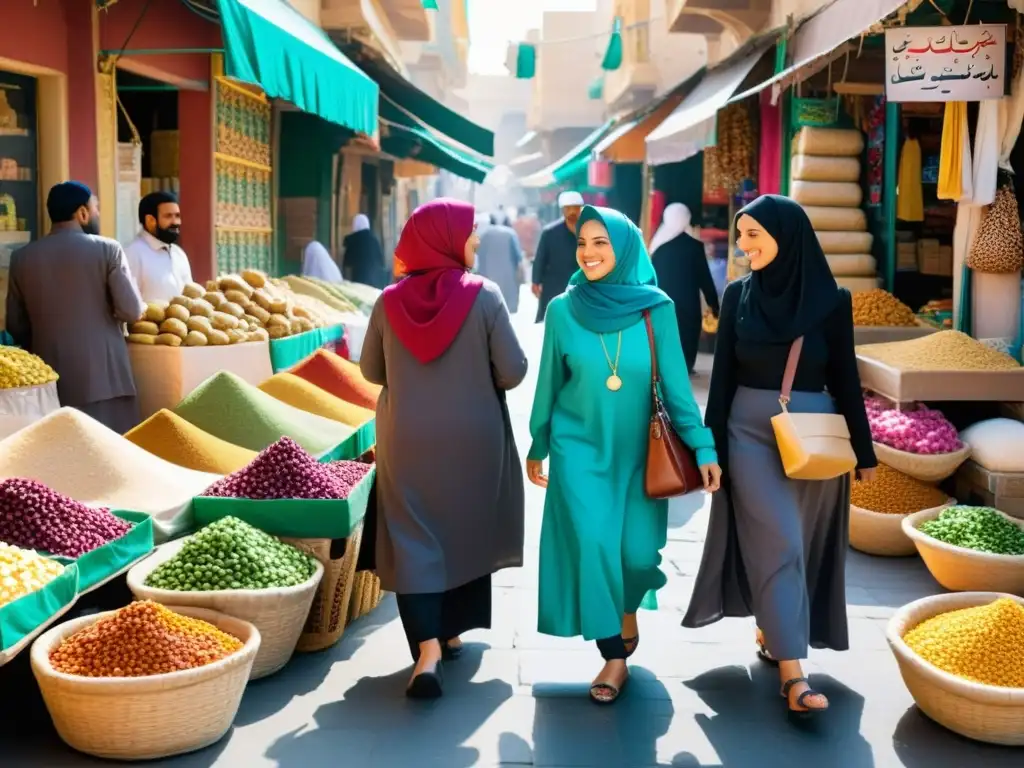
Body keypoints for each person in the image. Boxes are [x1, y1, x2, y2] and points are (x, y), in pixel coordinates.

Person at [683, 195, 877, 718]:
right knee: (782, 540)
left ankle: (773, 628)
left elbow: (845, 380)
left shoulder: (832, 300)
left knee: (799, 544)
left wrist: (864, 452)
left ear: (785, 236)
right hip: (748, 435)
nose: (743, 247)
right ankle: (794, 674)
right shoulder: (739, 296)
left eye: (752, 235)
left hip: (814, 438)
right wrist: (710, 449)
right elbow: (720, 382)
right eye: (741, 235)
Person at [526, 205, 721, 705]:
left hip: (640, 455)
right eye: (582, 243)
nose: (588, 253)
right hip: (580, 453)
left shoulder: (656, 310)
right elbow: (548, 382)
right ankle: (614, 657)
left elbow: (678, 389)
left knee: (636, 555)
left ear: (625, 247)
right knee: (593, 544)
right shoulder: (563, 311)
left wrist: (702, 446)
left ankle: (628, 605)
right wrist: (538, 442)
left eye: (601, 243)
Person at [360, 198, 528, 700]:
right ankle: (454, 629)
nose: (476, 240)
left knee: (415, 536)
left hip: (407, 437)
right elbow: (514, 371)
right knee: (462, 528)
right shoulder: (485, 295)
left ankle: (428, 650)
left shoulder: (387, 301)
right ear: (448, 239)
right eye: (470, 233)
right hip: (474, 439)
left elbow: (371, 371)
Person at [5, 182, 146, 433]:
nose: (97, 214)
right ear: (82, 213)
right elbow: (131, 311)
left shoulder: (21, 258)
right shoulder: (107, 249)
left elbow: (16, 326)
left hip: (48, 382)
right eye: (95, 208)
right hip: (106, 379)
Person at [650, 203, 720, 374]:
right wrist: (714, 304)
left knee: (665, 333)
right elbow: (704, 277)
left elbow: (650, 278)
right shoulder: (694, 246)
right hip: (689, 302)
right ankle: (686, 365)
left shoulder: (658, 246)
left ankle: (664, 366)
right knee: (687, 333)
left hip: (662, 302)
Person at [123, 191, 191, 303]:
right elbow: (127, 303)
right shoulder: (133, 254)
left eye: (177, 216)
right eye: (168, 216)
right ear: (150, 220)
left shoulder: (179, 254)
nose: (176, 222)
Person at [532, 191, 584, 322]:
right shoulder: (549, 232)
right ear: (562, 210)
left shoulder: (588, 230)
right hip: (555, 285)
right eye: (568, 208)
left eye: (575, 208)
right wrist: (535, 281)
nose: (572, 212)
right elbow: (540, 259)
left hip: (581, 285)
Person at [476, 212, 524, 313]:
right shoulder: (511, 234)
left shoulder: (483, 235)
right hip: (508, 281)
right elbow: (519, 260)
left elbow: (477, 258)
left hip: (486, 282)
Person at [342, 214, 387, 288]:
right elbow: (381, 262)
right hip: (374, 282)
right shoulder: (374, 240)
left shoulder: (352, 241)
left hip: (358, 281)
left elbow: (346, 264)